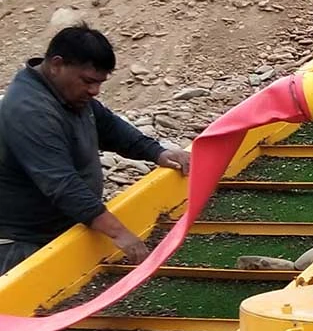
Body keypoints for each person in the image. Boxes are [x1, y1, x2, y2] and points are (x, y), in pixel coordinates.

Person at [0, 25, 190, 276]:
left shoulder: (68, 94)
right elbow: (62, 184)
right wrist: (119, 233)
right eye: (88, 81)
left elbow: (109, 127)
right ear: (57, 65)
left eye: (99, 83)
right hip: (26, 245)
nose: (94, 91)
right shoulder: (30, 110)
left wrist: (157, 152)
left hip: (66, 231)